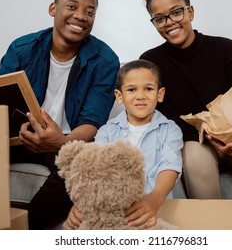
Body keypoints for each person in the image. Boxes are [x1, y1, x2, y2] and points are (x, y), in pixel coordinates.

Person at [138, 0, 232, 229]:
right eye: (159, 18)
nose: (169, 22)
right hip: (195, 139)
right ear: (154, 23)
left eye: (176, 12)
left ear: (190, 12)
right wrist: (210, 136)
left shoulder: (225, 49)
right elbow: (163, 119)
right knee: (195, 157)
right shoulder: (150, 62)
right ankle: (214, 234)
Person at [0, 0, 120, 229]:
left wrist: (61, 143)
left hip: (69, 141)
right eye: (72, 7)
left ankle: (27, 229)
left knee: (84, 164)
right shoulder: (22, 49)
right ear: (53, 9)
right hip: (20, 137)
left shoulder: (105, 60)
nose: (81, 16)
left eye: (90, 11)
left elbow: (91, 122)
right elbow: (1, 106)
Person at [66, 59, 183, 229]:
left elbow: (169, 166)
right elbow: (95, 171)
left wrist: (154, 199)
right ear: (119, 96)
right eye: (131, 90)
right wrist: (82, 202)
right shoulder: (106, 131)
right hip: (112, 210)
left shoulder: (170, 130)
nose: (140, 96)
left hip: (153, 208)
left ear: (160, 94)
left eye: (148, 89)